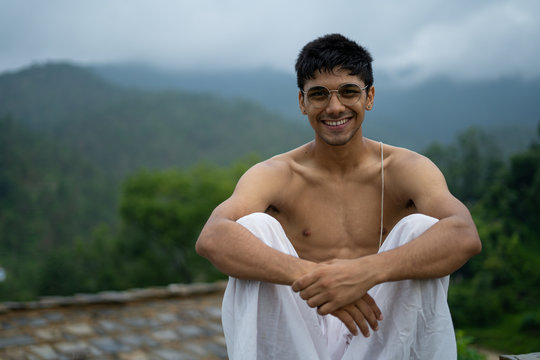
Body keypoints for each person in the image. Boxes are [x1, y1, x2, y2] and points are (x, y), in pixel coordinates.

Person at [196, 33, 481, 359]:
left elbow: (464, 235)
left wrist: (366, 272)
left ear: (369, 97)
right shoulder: (278, 173)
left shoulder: (405, 168)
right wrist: (315, 278)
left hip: (382, 329)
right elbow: (213, 237)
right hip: (300, 330)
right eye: (319, 94)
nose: (335, 107)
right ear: (303, 102)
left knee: (420, 227)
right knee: (254, 226)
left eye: (348, 92)